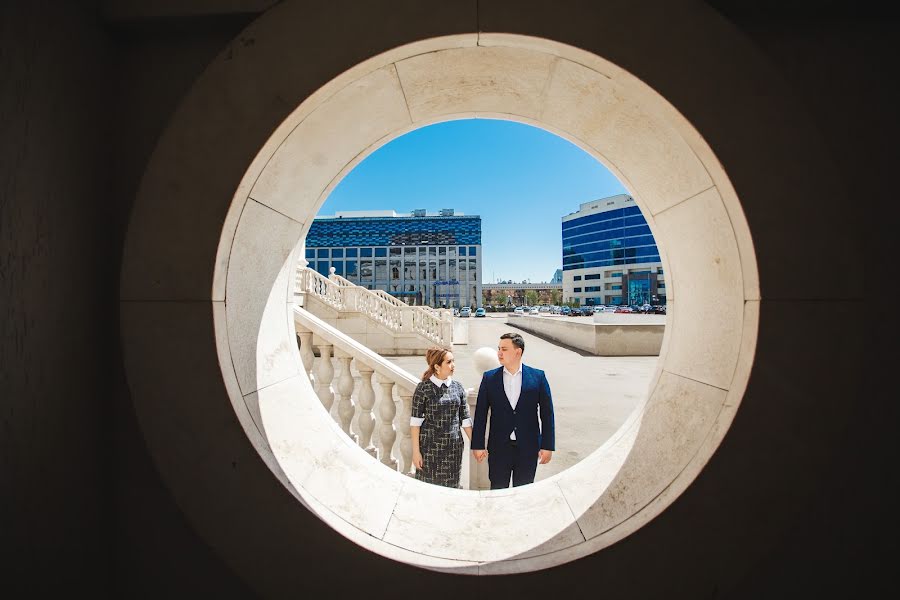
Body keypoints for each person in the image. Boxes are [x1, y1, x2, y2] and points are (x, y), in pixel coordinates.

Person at [471, 333, 555, 488]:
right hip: (498, 448)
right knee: (497, 491)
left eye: (504, 349)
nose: (499, 353)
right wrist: (478, 445)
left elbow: (547, 414)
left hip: (528, 449)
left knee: (523, 493)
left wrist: (547, 445)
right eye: (499, 349)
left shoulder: (538, 377)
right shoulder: (489, 378)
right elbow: (481, 414)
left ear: (518, 352)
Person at [410, 347, 472, 488]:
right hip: (429, 449)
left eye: (453, 361)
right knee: (429, 490)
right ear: (437, 366)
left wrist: (476, 445)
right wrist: (416, 452)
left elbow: (465, 420)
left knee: (452, 489)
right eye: (449, 362)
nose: (453, 365)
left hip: (454, 449)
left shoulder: (458, 387)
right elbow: (415, 424)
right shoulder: (423, 388)